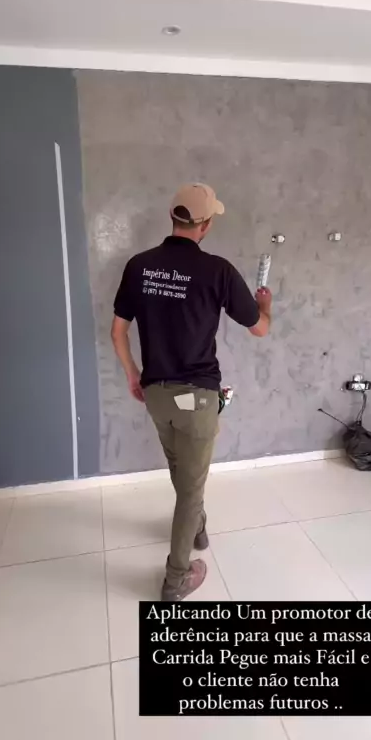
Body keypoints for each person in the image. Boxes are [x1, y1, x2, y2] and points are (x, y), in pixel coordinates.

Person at [111, 183, 272, 601]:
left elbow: (117, 331)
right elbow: (259, 328)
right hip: (197, 399)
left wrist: (133, 374)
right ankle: (176, 579)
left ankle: (197, 528)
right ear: (206, 224)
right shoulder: (217, 270)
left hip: (156, 395)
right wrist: (266, 305)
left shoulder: (139, 265)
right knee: (191, 488)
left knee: (181, 471)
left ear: (173, 217)